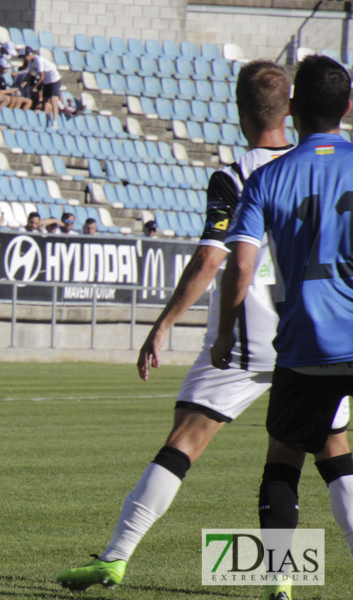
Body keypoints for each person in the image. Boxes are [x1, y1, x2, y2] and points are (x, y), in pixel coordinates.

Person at [57, 60, 296, 593]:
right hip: (314, 326)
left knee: (186, 439)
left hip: (248, 327)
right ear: (291, 108)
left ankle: (115, 558)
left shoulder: (236, 175)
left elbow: (213, 260)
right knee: (318, 451)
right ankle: (281, 583)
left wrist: (163, 325)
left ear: (238, 112)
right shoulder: (325, 166)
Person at [210, 55, 353, 600]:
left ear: (292, 110)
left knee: (284, 455)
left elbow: (241, 265)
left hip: (305, 342)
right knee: (336, 450)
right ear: (347, 106)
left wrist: (226, 333)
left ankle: (280, 578)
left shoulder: (269, 176)